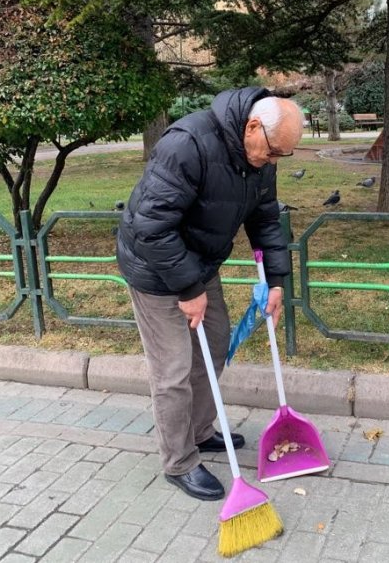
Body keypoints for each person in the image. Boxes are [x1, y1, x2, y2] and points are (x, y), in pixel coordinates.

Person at [116, 87, 304, 501]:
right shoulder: (187, 145)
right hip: (154, 266)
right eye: (273, 153)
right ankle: (179, 461)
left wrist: (276, 280)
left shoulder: (259, 156)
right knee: (173, 369)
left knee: (215, 345)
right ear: (252, 126)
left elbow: (265, 217)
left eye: (281, 157)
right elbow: (152, 227)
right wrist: (187, 289)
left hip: (198, 263)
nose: (273, 162)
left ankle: (200, 431)